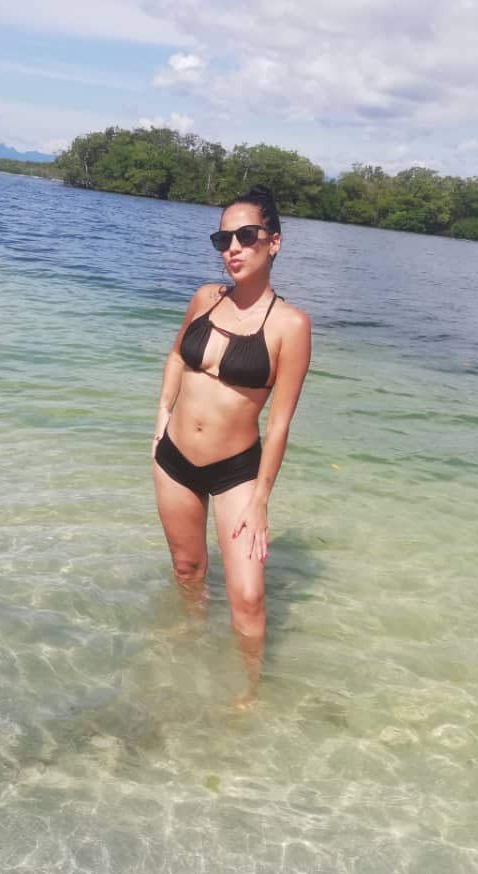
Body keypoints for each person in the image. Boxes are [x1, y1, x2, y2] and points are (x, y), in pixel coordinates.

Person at [152, 184, 311, 680]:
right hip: (174, 460)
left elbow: (279, 421)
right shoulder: (205, 298)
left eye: (246, 236)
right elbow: (177, 355)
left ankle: (248, 690)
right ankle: (189, 645)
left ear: (274, 241)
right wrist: (160, 421)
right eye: (223, 240)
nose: (233, 249)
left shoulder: (291, 325)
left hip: (235, 474)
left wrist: (261, 499)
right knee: (187, 570)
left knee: (247, 595)